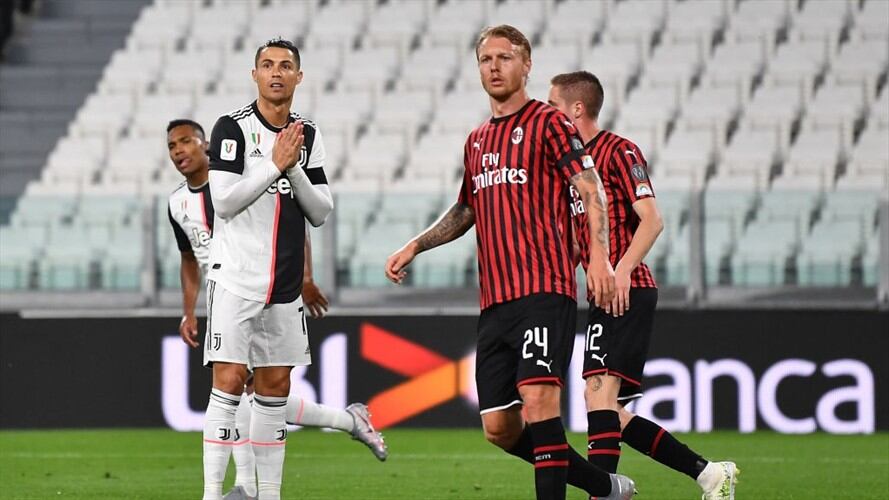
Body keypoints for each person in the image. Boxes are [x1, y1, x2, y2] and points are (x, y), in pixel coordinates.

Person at [385, 25, 634, 500]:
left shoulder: (549, 123)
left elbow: (589, 187)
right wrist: (415, 245)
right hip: (495, 301)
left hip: (545, 289)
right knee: (499, 427)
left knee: (540, 400)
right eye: (485, 59)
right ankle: (604, 485)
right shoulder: (477, 139)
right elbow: (466, 209)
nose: (494, 67)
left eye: (504, 57)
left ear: (526, 65)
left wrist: (599, 259)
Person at [199, 39, 384, 500]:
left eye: (285, 66)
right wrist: (273, 166)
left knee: (274, 388)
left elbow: (320, 211)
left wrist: (293, 168)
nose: (276, 73)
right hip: (237, 277)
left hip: (284, 286)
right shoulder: (232, 128)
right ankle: (209, 493)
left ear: (299, 77)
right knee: (226, 383)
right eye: (267, 65)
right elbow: (223, 202)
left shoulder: (309, 134)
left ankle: (270, 495)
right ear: (254, 75)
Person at [547, 71, 738, 500]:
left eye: (553, 104)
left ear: (576, 108)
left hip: (627, 288)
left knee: (598, 395)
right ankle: (708, 473)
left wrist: (621, 270)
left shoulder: (618, 150)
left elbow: (653, 219)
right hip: (603, 293)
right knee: (610, 410)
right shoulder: (569, 168)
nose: (548, 113)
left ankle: (604, 493)